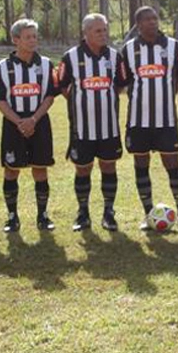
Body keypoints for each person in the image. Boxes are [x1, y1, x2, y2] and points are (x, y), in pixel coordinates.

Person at [121, 7, 178, 230]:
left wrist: (168, 93)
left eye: (155, 18)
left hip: (166, 120)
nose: (152, 22)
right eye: (147, 19)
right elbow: (123, 80)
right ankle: (148, 213)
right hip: (138, 120)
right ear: (138, 24)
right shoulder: (128, 50)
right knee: (141, 165)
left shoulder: (173, 46)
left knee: (172, 164)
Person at [0, 19, 59, 232]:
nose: (32, 41)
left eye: (35, 37)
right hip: (14, 125)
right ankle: (12, 217)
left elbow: (50, 95)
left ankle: (43, 216)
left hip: (39, 123)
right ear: (15, 40)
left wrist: (33, 119)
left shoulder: (46, 64)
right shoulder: (2, 67)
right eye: (27, 37)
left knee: (40, 169)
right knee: (11, 170)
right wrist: (19, 121)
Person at [58, 13, 124, 232]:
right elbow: (62, 85)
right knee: (83, 170)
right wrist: (80, 102)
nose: (103, 34)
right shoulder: (71, 57)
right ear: (85, 33)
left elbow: (120, 85)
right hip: (82, 129)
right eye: (98, 31)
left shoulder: (115, 57)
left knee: (108, 166)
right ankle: (83, 212)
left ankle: (109, 212)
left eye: (105, 30)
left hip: (109, 127)